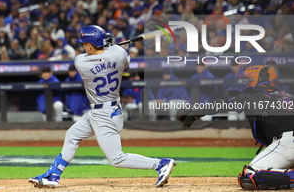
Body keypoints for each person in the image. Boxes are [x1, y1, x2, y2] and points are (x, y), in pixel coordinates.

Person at [29, 25, 176, 188]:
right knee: (72, 135)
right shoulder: (119, 54)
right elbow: (124, 63)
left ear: (90, 45)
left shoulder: (81, 62)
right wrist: (110, 47)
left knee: (116, 159)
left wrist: (107, 47)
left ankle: (160, 164)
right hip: (105, 110)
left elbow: (97, 55)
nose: (83, 46)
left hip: (104, 115)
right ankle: (53, 175)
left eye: (85, 43)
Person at [176, 65, 294, 190]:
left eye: (250, 79)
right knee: (276, 171)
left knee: (249, 176)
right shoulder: (288, 96)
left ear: (259, 79)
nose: (247, 82)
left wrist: (195, 112)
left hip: (287, 143)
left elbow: (221, 105)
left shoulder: (253, 95)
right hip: (288, 144)